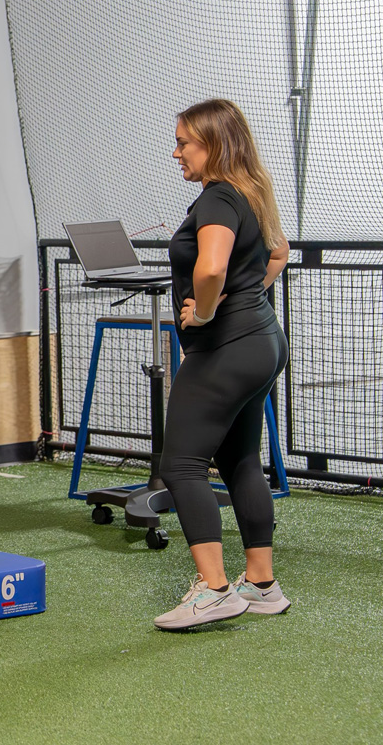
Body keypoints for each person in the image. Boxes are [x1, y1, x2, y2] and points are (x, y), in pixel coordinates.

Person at [154, 98, 290, 630]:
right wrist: (245, 297)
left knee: (181, 465)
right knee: (240, 461)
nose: (176, 152)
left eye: (184, 142)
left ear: (213, 144)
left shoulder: (216, 198)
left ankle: (214, 592)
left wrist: (203, 313)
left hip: (227, 348)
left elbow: (209, 269)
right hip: (262, 340)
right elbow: (277, 253)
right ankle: (261, 584)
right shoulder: (251, 192)